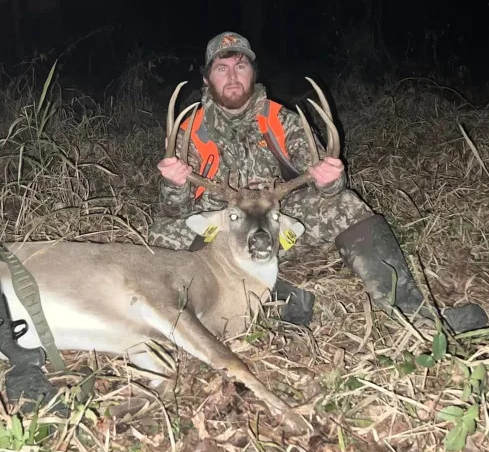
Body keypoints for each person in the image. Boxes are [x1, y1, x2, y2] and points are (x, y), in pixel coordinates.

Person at [148, 31, 487, 333]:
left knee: (346, 205)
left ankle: (413, 313)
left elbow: (325, 179)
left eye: (240, 66)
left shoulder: (282, 120)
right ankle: (279, 295)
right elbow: (173, 208)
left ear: (253, 73)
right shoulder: (187, 130)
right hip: (224, 232)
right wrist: (174, 183)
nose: (232, 76)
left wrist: (330, 183)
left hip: (278, 222)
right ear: (207, 79)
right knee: (161, 234)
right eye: (222, 69)